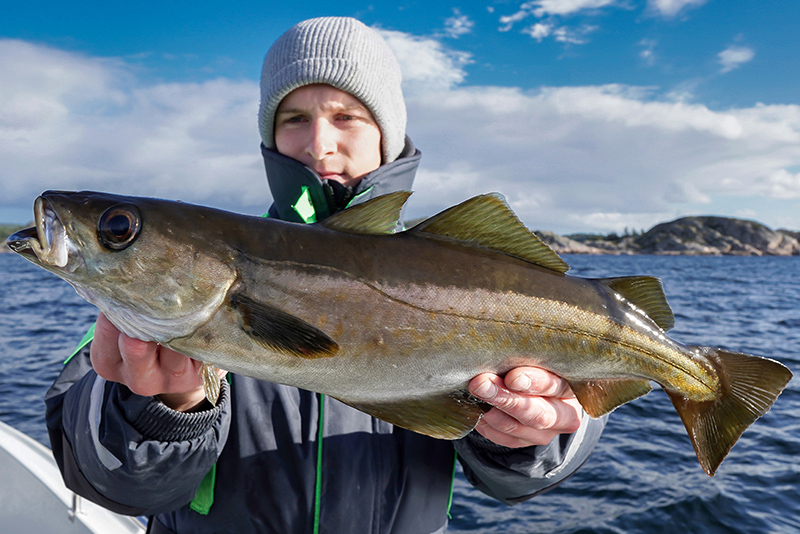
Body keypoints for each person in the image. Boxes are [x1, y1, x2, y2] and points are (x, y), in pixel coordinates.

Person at [45, 17, 606, 533]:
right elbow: (108, 482)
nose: (320, 144)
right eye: (295, 119)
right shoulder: (134, 319)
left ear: (387, 134)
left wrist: (526, 435)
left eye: (347, 117)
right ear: (270, 137)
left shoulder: (475, 271)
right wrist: (159, 413)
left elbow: (521, 480)